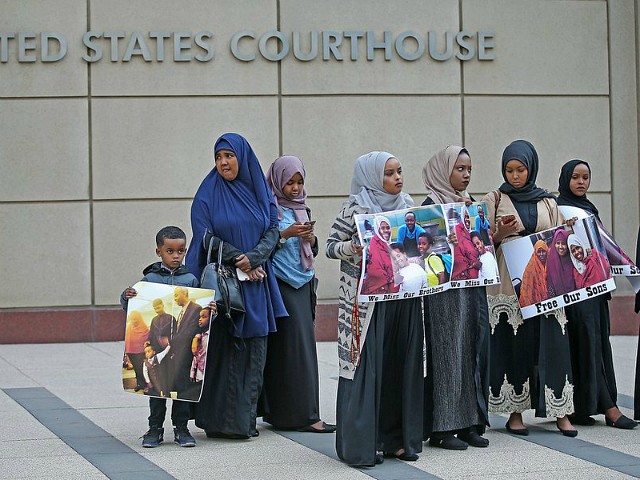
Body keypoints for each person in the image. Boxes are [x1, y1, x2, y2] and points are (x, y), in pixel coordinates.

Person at [186, 132, 287, 440]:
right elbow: (202, 235)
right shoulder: (207, 193)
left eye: (228, 156)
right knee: (224, 352)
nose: (223, 162)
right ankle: (218, 421)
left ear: (242, 158)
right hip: (225, 287)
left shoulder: (260, 190)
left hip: (256, 285)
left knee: (255, 352)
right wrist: (238, 257)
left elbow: (273, 227)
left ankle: (244, 422)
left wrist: (254, 258)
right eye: (218, 157)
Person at [326, 151, 424, 467]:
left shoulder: (409, 207)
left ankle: (395, 440)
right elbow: (329, 246)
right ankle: (362, 445)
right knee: (367, 368)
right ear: (372, 177)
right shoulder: (355, 208)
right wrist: (353, 248)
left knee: (399, 364)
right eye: (389, 173)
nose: (397, 178)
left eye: (399, 171)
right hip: (366, 305)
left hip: (402, 301)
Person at [481, 140, 577, 437]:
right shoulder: (494, 199)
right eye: (509, 170)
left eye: (520, 169)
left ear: (530, 168)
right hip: (510, 283)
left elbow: (559, 237)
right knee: (515, 343)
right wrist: (500, 233)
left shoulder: (548, 201)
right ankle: (515, 412)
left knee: (553, 344)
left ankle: (560, 412)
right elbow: (478, 244)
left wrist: (569, 231)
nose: (515, 176)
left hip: (547, 283)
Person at [557, 159, 635, 429]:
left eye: (586, 177)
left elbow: (603, 246)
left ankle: (597, 403)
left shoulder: (589, 208)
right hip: (574, 291)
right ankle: (603, 408)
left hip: (596, 287)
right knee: (583, 343)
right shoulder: (560, 210)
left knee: (598, 342)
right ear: (565, 179)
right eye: (576, 177)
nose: (581, 182)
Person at [421, 145, 490, 450]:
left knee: (472, 348)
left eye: (469, 170)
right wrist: (440, 242)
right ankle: (443, 426)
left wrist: (494, 235)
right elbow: (419, 253)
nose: (465, 175)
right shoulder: (429, 207)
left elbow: (481, 246)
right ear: (443, 170)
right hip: (444, 295)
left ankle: (470, 422)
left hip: (472, 288)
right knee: (449, 352)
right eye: (459, 169)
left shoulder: (471, 206)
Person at [260, 155, 335, 433]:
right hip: (280, 284)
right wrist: (286, 234)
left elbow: (312, 250)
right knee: (289, 351)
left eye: (299, 181)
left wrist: (310, 238)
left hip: (303, 283)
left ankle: (299, 413)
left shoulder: (302, 207)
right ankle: (299, 416)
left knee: (302, 349)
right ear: (278, 182)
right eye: (289, 182)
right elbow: (262, 247)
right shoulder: (269, 210)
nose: (294, 187)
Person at [121, 225, 204, 448]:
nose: (176, 256)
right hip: (159, 351)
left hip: (182, 351)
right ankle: (154, 429)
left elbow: (199, 316)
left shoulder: (191, 281)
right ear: (159, 251)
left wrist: (209, 308)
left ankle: (182, 428)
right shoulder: (149, 279)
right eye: (170, 251)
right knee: (157, 389)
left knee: (182, 389)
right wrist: (127, 297)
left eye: (181, 251)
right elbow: (131, 308)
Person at [171, 286, 204, 400]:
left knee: (185, 388)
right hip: (180, 353)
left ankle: (181, 416)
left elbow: (191, 331)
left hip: (187, 354)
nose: (174, 298)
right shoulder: (182, 310)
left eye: (176, 295)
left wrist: (172, 341)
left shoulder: (195, 308)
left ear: (184, 294)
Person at [360, 216, 400, 295]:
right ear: (377, 230)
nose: (386, 230)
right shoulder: (375, 243)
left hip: (390, 288)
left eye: (388, 228)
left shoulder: (386, 244)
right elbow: (376, 270)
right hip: (379, 291)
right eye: (382, 228)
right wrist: (393, 278)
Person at [448, 206, 481, 281]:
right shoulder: (457, 231)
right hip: (461, 279)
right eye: (465, 217)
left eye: (468, 217)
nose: (467, 219)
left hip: (476, 280)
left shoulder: (471, 234)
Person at [518, 239, 549, 306]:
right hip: (535, 303)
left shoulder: (550, 262)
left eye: (543, 251)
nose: (541, 254)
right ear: (535, 253)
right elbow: (526, 292)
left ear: (547, 251)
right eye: (539, 252)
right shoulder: (530, 268)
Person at [124, 310, 150, 392]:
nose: (134, 321)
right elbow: (127, 340)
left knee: (143, 370)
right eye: (133, 319)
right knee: (136, 369)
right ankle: (140, 384)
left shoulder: (144, 328)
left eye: (136, 319)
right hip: (132, 353)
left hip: (141, 353)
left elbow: (148, 340)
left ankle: (146, 385)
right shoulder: (129, 327)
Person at [546, 229, 576, 297]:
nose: (560, 247)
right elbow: (550, 287)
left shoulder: (574, 257)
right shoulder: (550, 262)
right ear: (554, 244)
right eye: (558, 243)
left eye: (563, 243)